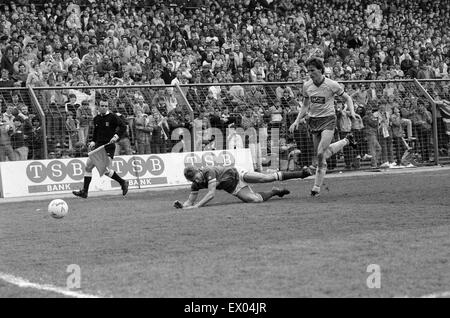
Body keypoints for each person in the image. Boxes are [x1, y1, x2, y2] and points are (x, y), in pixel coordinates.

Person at [289, 57, 357, 197]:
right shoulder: (307, 86)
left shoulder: (332, 84)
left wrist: (353, 112)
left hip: (328, 119)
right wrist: (296, 121)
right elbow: (306, 105)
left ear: (320, 70)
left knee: (320, 153)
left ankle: (316, 186)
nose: (310, 73)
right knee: (322, 155)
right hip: (313, 121)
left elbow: (348, 98)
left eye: (312, 70)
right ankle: (346, 141)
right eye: (308, 71)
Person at [177, 165, 313, 209]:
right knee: (255, 200)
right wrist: (183, 206)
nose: (198, 179)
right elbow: (190, 200)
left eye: (197, 176)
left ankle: (301, 173)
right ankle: (274, 191)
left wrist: (197, 207)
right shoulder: (195, 184)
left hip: (237, 174)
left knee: (265, 177)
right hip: (234, 187)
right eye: (194, 179)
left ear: (198, 171)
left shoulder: (208, 172)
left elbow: (211, 194)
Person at [72, 100, 129, 199]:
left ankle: (123, 182)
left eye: (105, 106)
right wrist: (93, 141)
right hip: (98, 147)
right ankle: (84, 192)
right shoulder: (96, 118)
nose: (103, 107)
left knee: (106, 170)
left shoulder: (113, 117)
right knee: (88, 167)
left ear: (107, 107)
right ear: (98, 106)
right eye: (102, 105)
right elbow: (96, 132)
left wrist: (116, 136)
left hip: (108, 147)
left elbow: (123, 127)